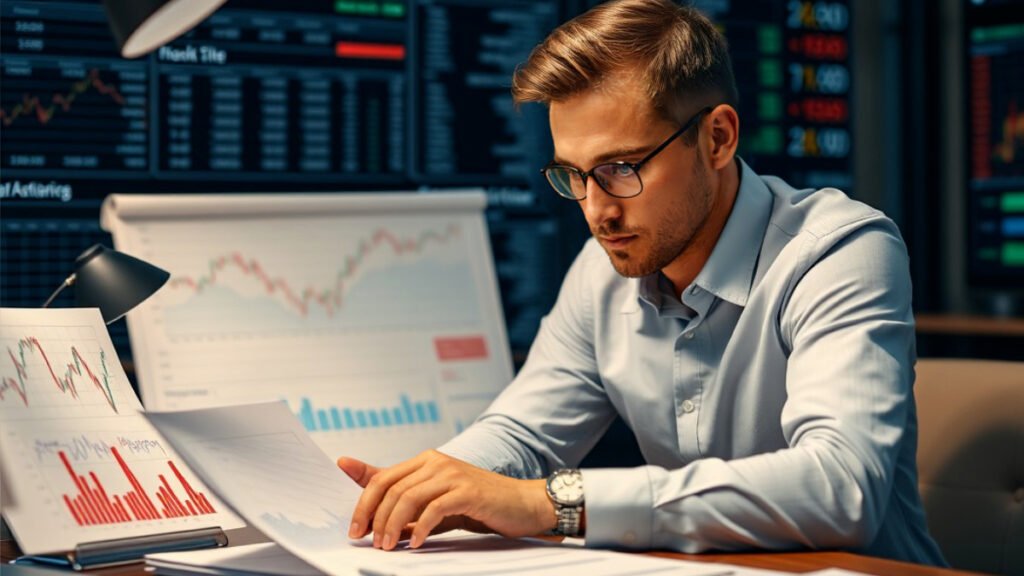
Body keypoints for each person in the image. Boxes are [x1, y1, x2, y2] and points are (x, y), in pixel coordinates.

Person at [337, 0, 946, 565]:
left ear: (718, 138)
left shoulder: (839, 252)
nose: (597, 210)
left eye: (620, 168)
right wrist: (430, 486)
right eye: (572, 175)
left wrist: (548, 504)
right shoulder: (603, 267)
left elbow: (841, 490)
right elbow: (523, 433)